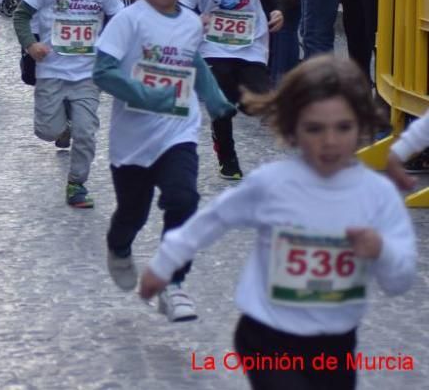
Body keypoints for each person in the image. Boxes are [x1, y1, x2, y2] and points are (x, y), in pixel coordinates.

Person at [139, 55, 416, 388]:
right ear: (292, 127)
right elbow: (214, 219)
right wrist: (164, 264)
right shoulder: (272, 184)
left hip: (336, 345)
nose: (330, 141)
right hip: (267, 335)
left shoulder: (378, 195)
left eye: (343, 127)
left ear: (362, 125)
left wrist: (380, 249)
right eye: (315, 128)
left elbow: (399, 280)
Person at [92, 0, 234, 322]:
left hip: (178, 132)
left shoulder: (190, 22)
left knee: (184, 199)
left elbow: (194, 62)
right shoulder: (128, 20)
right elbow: (102, 72)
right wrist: (144, 94)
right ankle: (119, 247)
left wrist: (216, 99)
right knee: (132, 214)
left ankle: (173, 283)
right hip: (133, 141)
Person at [14, 0, 123, 208]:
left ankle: (77, 183)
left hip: (87, 76)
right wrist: (30, 44)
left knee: (87, 133)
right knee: (46, 131)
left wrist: (111, 50)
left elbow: (120, 19)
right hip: (51, 70)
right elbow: (21, 15)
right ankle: (62, 126)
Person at [180, 0, 283, 180]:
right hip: (214, 46)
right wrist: (194, 19)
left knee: (258, 101)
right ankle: (228, 157)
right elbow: (186, 5)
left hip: (251, 46)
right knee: (222, 105)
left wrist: (276, 12)